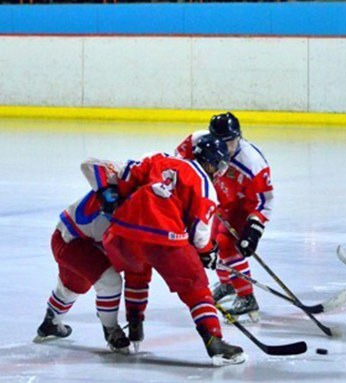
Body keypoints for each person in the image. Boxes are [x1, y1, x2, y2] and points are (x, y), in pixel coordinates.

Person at [82, 135, 246, 366]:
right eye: (218, 165)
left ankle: (135, 325)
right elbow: (200, 235)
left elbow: (126, 178)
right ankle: (214, 341)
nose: (218, 171)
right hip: (164, 238)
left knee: (136, 273)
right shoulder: (205, 185)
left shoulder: (160, 159)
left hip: (122, 233)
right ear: (210, 163)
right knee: (196, 287)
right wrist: (208, 251)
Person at [176, 112, 273, 321]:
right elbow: (179, 163)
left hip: (241, 205)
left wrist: (254, 228)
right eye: (220, 141)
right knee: (208, 243)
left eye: (230, 141)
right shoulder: (198, 142)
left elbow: (265, 200)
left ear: (238, 136)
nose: (225, 147)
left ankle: (246, 296)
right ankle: (228, 283)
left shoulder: (252, 163)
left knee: (228, 245)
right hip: (217, 199)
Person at [33, 190, 130, 353]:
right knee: (110, 280)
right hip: (72, 241)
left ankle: (51, 321)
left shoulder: (123, 186)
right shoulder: (129, 197)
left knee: (74, 285)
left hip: (69, 237)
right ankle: (111, 330)